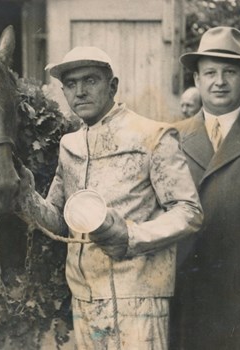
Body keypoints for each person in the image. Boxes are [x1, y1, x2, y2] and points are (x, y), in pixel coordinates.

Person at [15, 46, 202, 349]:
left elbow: (189, 211)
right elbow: (59, 222)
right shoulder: (70, 145)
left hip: (138, 300)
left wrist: (131, 235)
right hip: (85, 300)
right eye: (71, 85)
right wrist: (25, 193)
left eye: (90, 80)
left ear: (113, 85)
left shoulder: (152, 136)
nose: (80, 92)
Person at [172, 26, 240, 350]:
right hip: (188, 299)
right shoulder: (171, 138)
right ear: (196, 80)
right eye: (209, 72)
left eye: (229, 72)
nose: (219, 81)